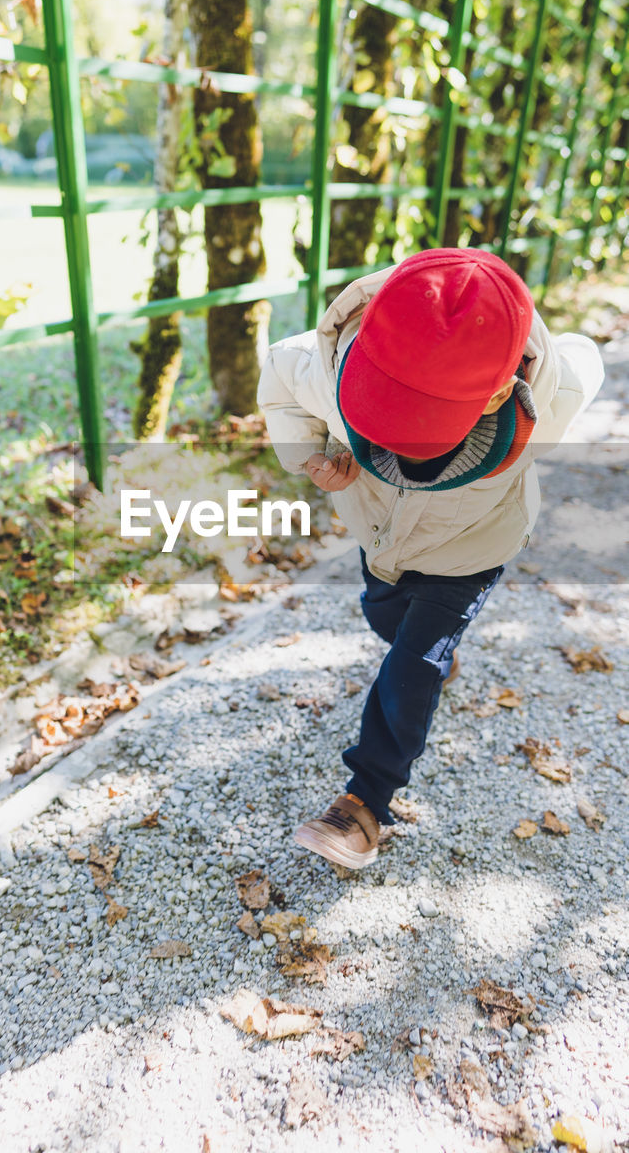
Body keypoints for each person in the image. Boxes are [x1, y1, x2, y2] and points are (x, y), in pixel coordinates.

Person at [257, 247, 604, 871]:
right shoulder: (333, 360)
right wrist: (308, 452)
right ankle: (427, 657)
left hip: (474, 542)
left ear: (502, 390)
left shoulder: (552, 397)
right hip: (380, 532)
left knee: (414, 659)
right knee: (386, 620)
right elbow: (282, 373)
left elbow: (583, 357)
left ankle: (366, 800)